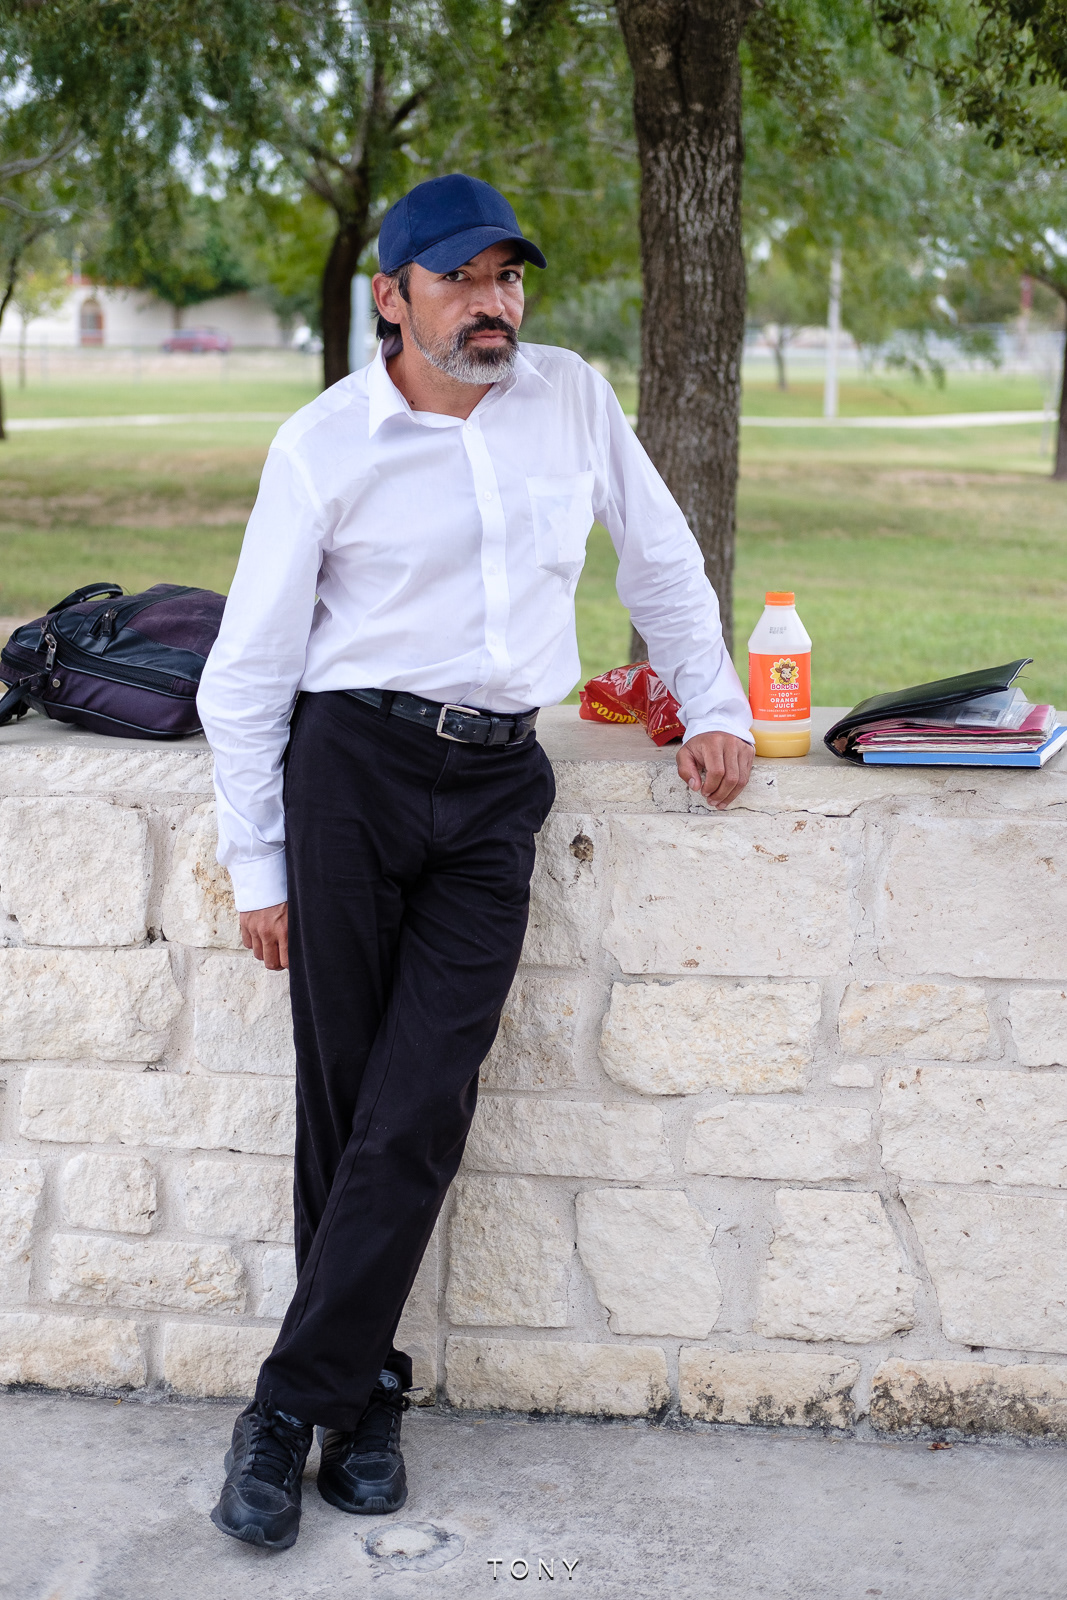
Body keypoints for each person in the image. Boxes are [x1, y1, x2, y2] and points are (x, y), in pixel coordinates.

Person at [198, 171, 755, 1553]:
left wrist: (722, 700)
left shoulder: (566, 394)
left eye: (509, 278)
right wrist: (255, 863)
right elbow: (249, 672)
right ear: (392, 298)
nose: (495, 304)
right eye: (462, 280)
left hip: (498, 779)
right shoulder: (324, 445)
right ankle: (367, 1400)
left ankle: (284, 1403)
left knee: (421, 1100)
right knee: (348, 1102)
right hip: (351, 772)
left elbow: (662, 556)